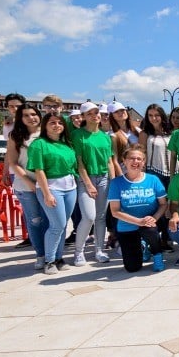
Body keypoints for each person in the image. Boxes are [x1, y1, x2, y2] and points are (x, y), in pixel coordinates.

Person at [28, 113, 78, 274]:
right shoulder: (39, 144)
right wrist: (47, 193)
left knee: (63, 226)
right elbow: (39, 170)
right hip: (51, 187)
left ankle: (58, 257)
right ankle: (49, 260)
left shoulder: (66, 144)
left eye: (60, 123)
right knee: (56, 225)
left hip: (70, 187)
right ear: (45, 126)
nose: (57, 125)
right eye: (52, 123)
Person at [108, 145, 168, 273]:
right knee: (132, 268)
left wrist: (154, 218)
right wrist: (138, 221)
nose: (136, 162)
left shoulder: (153, 179)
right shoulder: (116, 183)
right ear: (124, 161)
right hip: (127, 225)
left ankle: (157, 254)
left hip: (149, 222)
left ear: (144, 162)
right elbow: (115, 211)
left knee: (150, 230)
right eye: (132, 158)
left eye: (139, 159)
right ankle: (142, 246)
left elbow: (163, 204)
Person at [72, 102, 115, 266]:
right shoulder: (78, 135)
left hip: (104, 178)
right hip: (86, 178)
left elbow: (110, 160)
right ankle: (78, 251)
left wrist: (114, 182)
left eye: (96, 112)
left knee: (101, 217)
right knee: (89, 216)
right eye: (89, 113)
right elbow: (79, 162)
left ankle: (99, 250)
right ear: (83, 117)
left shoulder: (105, 136)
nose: (95, 116)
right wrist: (88, 184)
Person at [7, 105, 48, 270]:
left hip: (47, 184)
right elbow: (13, 163)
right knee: (35, 221)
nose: (31, 118)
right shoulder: (16, 136)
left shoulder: (47, 134)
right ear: (20, 118)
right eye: (26, 115)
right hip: (26, 186)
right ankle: (40, 254)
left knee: (50, 221)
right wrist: (29, 182)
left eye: (34, 114)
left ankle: (51, 254)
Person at [141, 104, 172, 188]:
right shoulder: (145, 133)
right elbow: (142, 154)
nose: (153, 118)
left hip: (174, 172)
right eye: (150, 115)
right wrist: (142, 173)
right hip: (154, 172)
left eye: (156, 115)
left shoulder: (171, 132)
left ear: (162, 116)